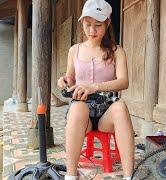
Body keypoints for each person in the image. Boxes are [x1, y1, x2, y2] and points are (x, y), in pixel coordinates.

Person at [57, 0, 134, 179]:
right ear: (82, 23)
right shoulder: (74, 50)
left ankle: (129, 176)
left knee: (120, 107)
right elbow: (71, 78)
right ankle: (70, 175)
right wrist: (65, 80)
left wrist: (94, 87)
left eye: (98, 25)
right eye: (88, 24)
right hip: (82, 115)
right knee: (77, 107)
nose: (92, 30)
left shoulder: (117, 51)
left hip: (105, 113)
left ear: (107, 23)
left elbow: (124, 82)